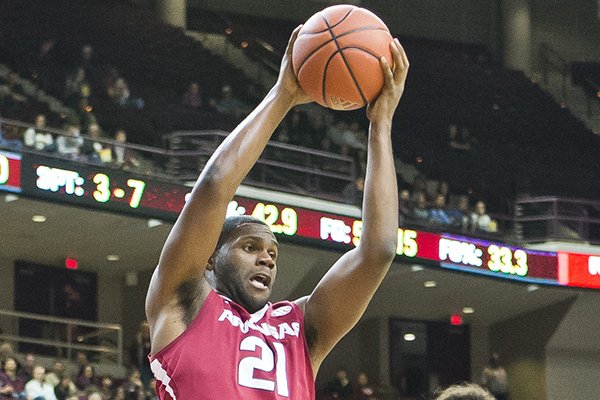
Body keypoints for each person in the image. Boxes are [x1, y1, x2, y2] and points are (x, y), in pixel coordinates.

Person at [145, 26, 409, 400]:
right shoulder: (183, 301)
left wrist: (381, 125)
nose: (267, 260)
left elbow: (378, 250)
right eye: (250, 247)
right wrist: (283, 94)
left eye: (272, 253)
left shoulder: (300, 329)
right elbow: (215, 184)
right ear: (210, 260)